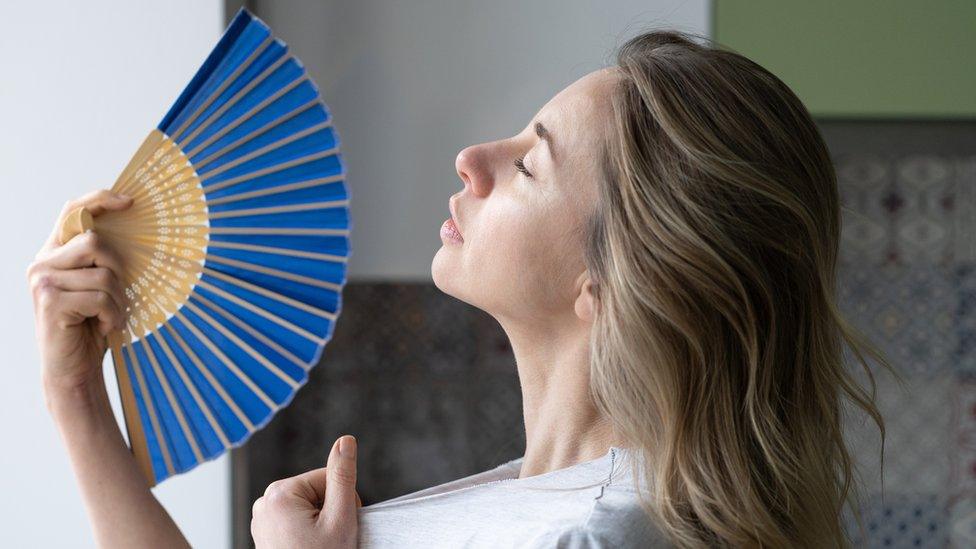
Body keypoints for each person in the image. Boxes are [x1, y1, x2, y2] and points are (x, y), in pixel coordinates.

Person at [27, 29, 894, 548]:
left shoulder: (592, 535)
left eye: (528, 163)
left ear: (612, 276)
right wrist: (76, 395)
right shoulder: (549, 496)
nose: (473, 160)